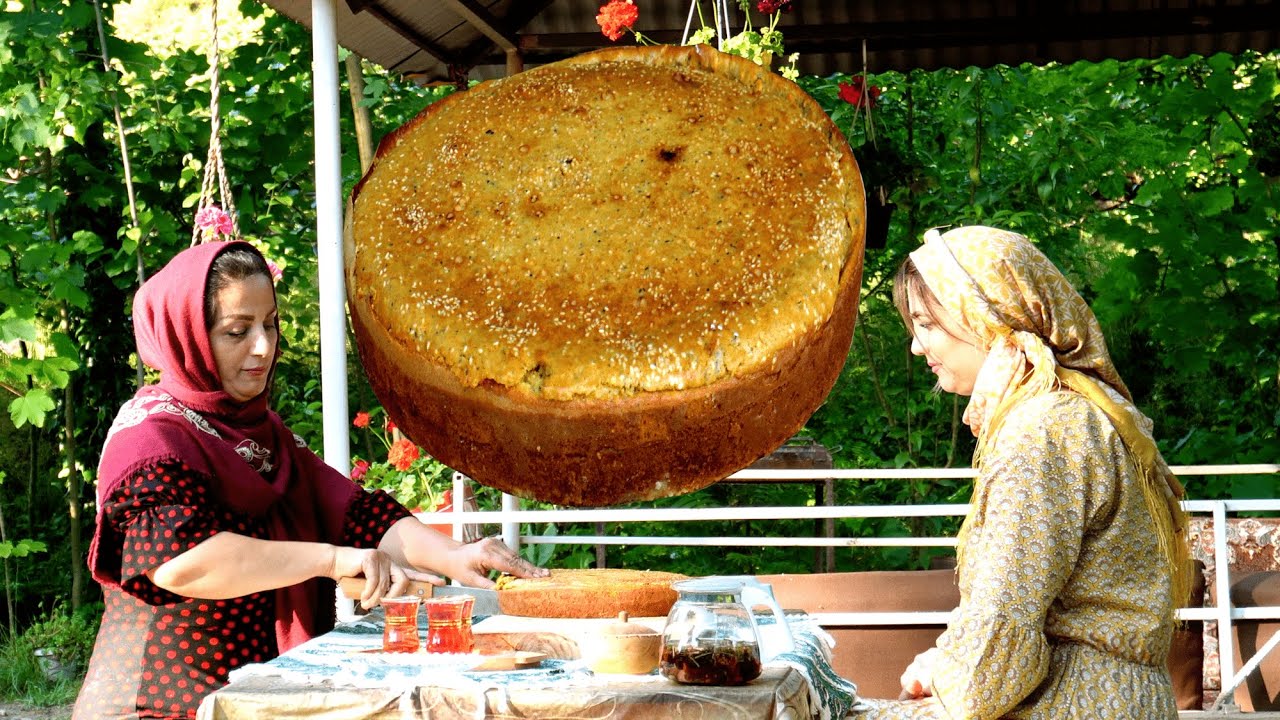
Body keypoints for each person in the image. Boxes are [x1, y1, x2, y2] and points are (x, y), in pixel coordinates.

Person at [73, 241, 548, 719]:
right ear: (188, 337)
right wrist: (329, 560)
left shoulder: (265, 436)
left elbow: (358, 515)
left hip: (273, 691)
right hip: (174, 702)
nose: (263, 346)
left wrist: (454, 555)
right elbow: (181, 563)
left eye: (270, 324)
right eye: (238, 331)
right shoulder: (151, 440)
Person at [856, 226, 1193, 719]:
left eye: (926, 323)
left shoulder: (1042, 429)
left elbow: (1002, 625)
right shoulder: (1068, 412)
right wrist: (945, 660)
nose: (915, 346)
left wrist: (946, 673)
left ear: (987, 316)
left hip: (1074, 703)